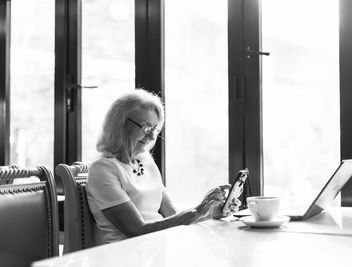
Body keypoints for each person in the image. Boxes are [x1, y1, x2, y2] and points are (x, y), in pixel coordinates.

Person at [87, 89, 239, 244]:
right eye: (146, 128)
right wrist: (198, 211)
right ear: (121, 124)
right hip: (128, 255)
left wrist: (211, 212)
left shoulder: (146, 161)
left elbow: (172, 214)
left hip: (159, 246)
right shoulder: (103, 169)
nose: (152, 136)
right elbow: (137, 230)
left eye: (155, 129)